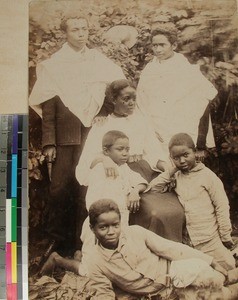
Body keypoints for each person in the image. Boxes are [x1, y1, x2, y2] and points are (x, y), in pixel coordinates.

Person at [29, 15, 125, 256]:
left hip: (91, 136)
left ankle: (83, 243)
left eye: (84, 29)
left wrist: (104, 111)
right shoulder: (55, 64)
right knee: (60, 189)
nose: (81, 33)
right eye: (75, 29)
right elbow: (48, 105)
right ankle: (56, 243)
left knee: (87, 188)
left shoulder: (97, 60)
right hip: (64, 137)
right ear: (66, 33)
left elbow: (115, 88)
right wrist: (49, 142)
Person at [40, 199, 238, 300]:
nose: (111, 232)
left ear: (121, 223)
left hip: (176, 270)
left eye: (115, 225)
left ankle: (228, 275)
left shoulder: (135, 233)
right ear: (92, 229)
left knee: (218, 281)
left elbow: (172, 249)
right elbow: (104, 292)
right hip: (163, 291)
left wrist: (209, 260)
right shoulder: (94, 261)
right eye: (103, 227)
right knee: (217, 296)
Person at [77, 80, 185, 242]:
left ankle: (178, 249)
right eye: (126, 99)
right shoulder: (102, 125)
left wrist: (167, 169)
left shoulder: (141, 121)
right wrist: (105, 160)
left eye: (134, 98)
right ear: (113, 100)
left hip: (147, 173)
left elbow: (153, 151)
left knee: (176, 209)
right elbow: (87, 161)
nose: (132, 103)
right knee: (156, 213)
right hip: (122, 175)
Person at [149, 133, 236, 271]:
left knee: (229, 268)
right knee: (197, 274)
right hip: (188, 240)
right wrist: (171, 171)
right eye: (176, 158)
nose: (182, 161)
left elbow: (222, 206)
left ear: (194, 152)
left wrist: (225, 235)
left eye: (186, 155)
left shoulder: (208, 176)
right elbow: (153, 188)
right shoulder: (176, 176)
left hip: (209, 238)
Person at [137, 23, 218, 161]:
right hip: (155, 131)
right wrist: (150, 129)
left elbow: (203, 105)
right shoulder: (149, 71)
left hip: (182, 128)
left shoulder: (187, 70)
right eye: (155, 45)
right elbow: (141, 103)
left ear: (173, 46)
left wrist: (200, 144)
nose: (158, 49)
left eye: (162, 45)